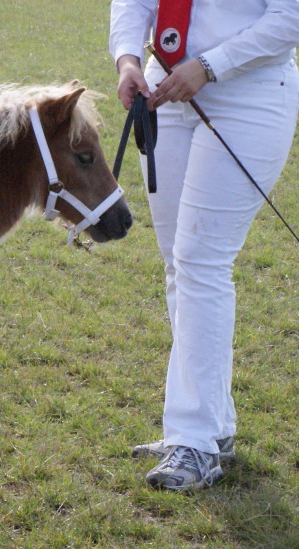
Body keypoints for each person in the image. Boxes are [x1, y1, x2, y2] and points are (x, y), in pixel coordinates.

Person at [109, 0, 299, 489]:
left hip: (248, 92)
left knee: (201, 262)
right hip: (165, 87)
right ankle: (211, 427)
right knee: (178, 262)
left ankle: (193, 441)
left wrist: (211, 66)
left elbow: (290, 17)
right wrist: (128, 57)